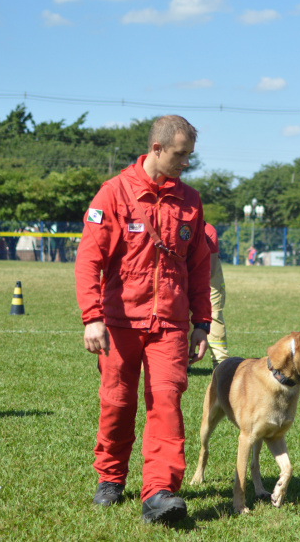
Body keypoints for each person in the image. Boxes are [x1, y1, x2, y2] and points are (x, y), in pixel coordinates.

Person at [75, 115, 213, 524]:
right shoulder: (114, 193)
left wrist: (202, 321)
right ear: (156, 149)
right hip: (118, 321)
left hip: (169, 323)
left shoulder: (189, 200)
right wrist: (91, 317)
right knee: (117, 402)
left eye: (189, 154)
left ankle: (159, 492)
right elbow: (89, 259)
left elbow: (199, 265)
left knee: (167, 403)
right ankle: (111, 477)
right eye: (180, 154)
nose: (186, 162)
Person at [204, 221, 230, 366]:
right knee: (183, 315)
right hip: (186, 275)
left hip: (210, 279)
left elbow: (211, 268)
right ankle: (183, 360)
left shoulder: (208, 231)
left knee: (213, 316)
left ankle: (221, 362)